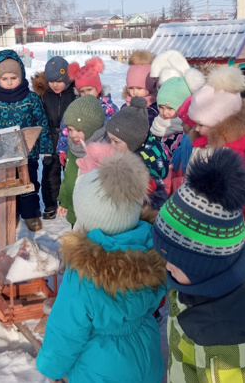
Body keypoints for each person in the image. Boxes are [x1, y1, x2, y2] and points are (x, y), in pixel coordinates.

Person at [152, 148, 245, 383]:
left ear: (205, 267)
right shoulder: (202, 290)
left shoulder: (226, 341)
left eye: (176, 261)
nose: (167, 267)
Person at [36, 151, 167, 382]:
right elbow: (155, 301)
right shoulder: (151, 250)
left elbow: (66, 329)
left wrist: (51, 368)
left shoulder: (85, 273)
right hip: (147, 356)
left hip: (101, 367)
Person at [188, 65, 245, 241]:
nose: (196, 128)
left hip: (226, 236)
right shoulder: (208, 143)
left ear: (220, 123)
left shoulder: (237, 157)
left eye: (201, 124)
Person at [0, 49, 52, 231]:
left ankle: (31, 213)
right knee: (6, 185)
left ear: (21, 75)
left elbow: (41, 123)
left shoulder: (31, 99)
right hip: (3, 154)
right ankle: (10, 214)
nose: (9, 82)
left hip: (28, 152)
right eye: (4, 79)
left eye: (13, 77)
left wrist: (46, 148)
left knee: (28, 183)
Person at [31, 56, 78, 220]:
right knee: (50, 174)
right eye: (51, 81)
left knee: (71, 173)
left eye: (59, 81)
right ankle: (50, 204)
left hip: (70, 139)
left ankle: (72, 203)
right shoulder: (43, 94)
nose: (55, 85)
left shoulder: (74, 93)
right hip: (50, 139)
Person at [106, 96, 169, 213]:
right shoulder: (143, 148)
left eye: (116, 141)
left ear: (133, 141)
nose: (112, 145)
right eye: (110, 140)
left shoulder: (141, 169)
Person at [56, 95, 108, 227]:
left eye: (78, 130)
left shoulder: (102, 151)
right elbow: (69, 177)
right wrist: (64, 201)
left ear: (92, 128)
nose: (73, 135)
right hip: (75, 209)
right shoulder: (73, 147)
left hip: (96, 215)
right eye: (70, 129)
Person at [151, 75, 191, 195]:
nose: (165, 112)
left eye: (170, 108)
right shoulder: (156, 124)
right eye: (161, 107)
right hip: (156, 175)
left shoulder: (184, 130)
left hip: (174, 181)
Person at [123, 50, 158, 126]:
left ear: (150, 87)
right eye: (131, 88)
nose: (134, 92)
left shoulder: (153, 109)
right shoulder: (125, 106)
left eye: (139, 88)